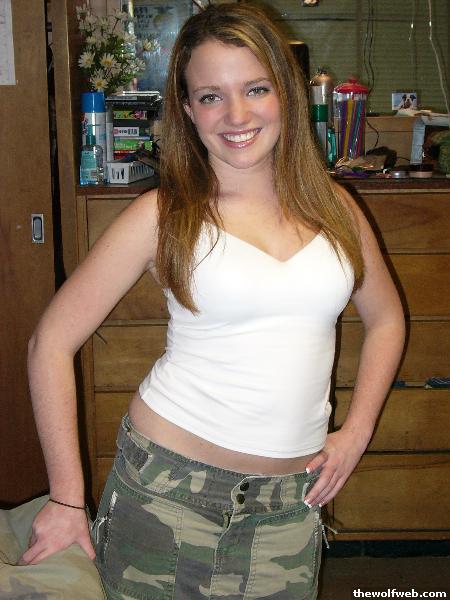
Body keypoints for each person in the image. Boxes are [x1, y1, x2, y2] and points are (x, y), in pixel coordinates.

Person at [18, 4, 405, 599]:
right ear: (187, 109)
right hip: (166, 495)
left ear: (286, 93)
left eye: (256, 89)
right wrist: (67, 499)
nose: (237, 115)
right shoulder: (163, 214)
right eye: (210, 96)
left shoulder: (336, 208)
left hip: (288, 507)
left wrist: (356, 431)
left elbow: (386, 320)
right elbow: (50, 342)